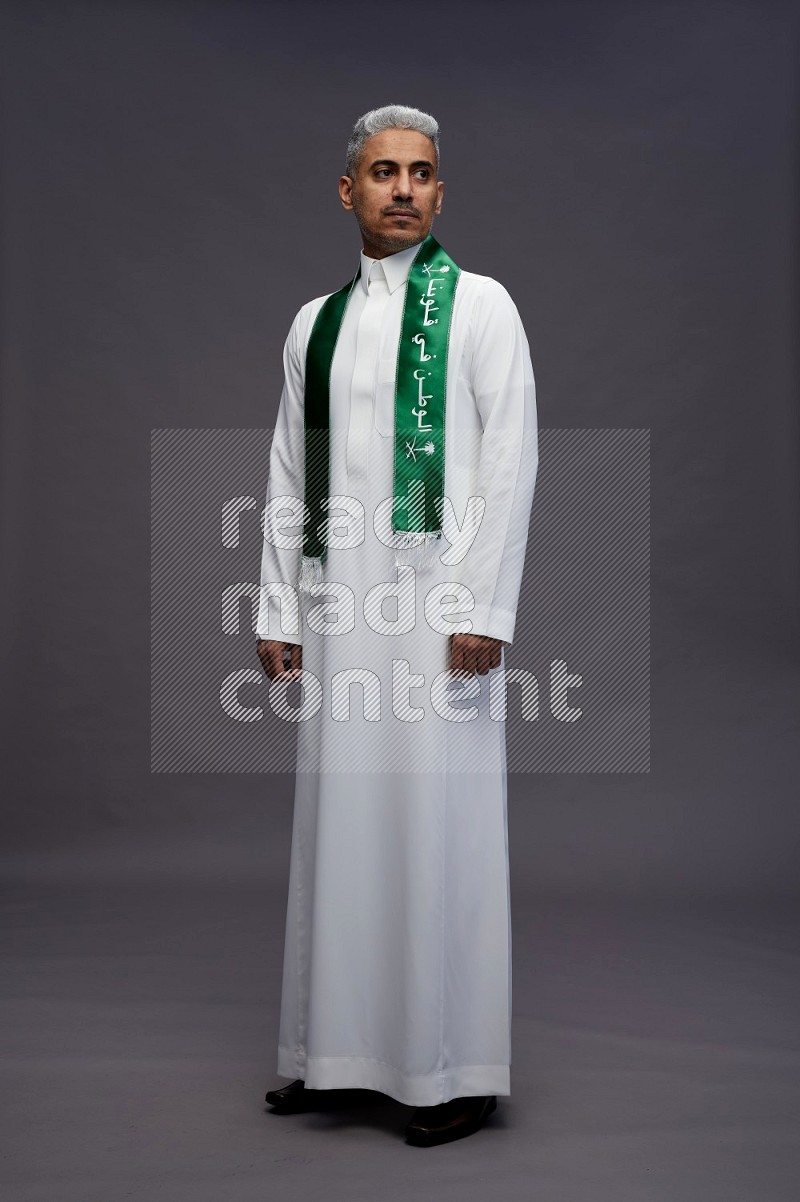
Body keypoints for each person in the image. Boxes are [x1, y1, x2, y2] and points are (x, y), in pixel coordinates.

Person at [256, 104, 538, 1146]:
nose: (403, 188)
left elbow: (509, 464)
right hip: (341, 611)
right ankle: (329, 1053)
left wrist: (481, 606)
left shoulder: (479, 308)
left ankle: (452, 1067)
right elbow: (289, 473)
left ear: (440, 190)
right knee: (340, 824)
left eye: (421, 172)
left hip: (436, 613)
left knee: (439, 827)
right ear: (348, 191)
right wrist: (278, 605)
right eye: (383, 172)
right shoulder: (311, 325)